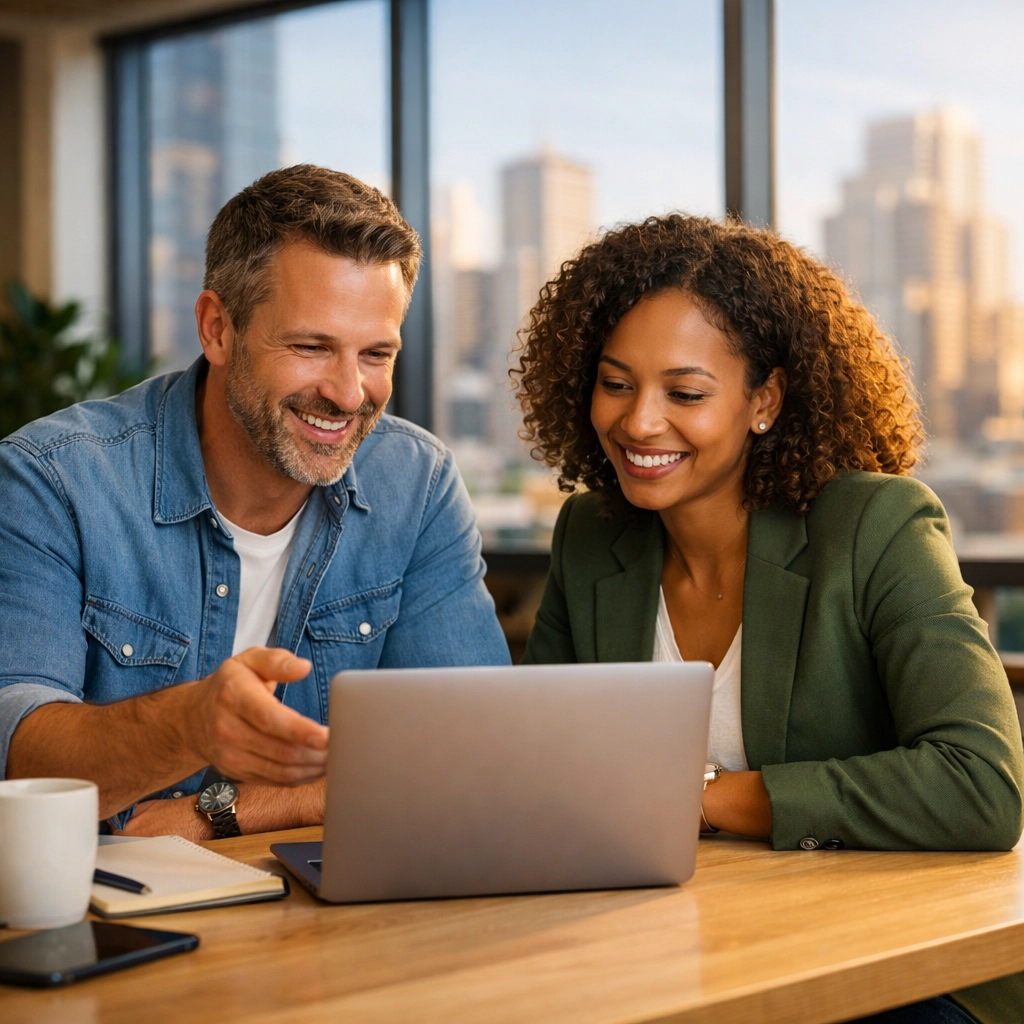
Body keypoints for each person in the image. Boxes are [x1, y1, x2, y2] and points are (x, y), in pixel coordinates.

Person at [513, 214, 1024, 1024]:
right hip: (671, 942)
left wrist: (708, 798)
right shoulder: (592, 535)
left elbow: (979, 786)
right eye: (616, 383)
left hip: (886, 966)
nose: (639, 422)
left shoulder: (875, 525)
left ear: (765, 400)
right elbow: (533, 755)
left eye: (685, 393)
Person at [0, 164, 509, 841]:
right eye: (310, 347)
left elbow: (476, 746)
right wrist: (187, 725)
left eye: (376, 354)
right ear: (217, 329)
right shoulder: (51, 481)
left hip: (321, 914)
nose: (351, 393)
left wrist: (241, 807)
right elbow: (15, 751)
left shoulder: (415, 484)